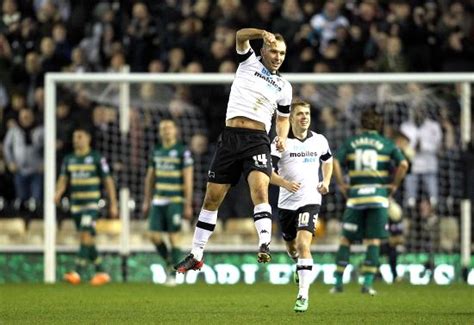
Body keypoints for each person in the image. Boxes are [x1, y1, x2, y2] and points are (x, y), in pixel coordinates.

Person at [174, 27, 292, 273]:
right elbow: (239, 35)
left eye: (282, 53)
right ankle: (196, 254)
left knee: (260, 189)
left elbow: (282, 118)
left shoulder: (284, 86)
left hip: (257, 139)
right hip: (230, 138)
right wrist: (262, 32)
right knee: (212, 198)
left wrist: (281, 137)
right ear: (263, 51)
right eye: (274, 51)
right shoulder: (248, 62)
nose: (278, 56)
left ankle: (264, 244)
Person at [331, 108, 409, 295]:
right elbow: (404, 164)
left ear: (362, 124)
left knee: (346, 239)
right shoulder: (386, 143)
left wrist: (342, 184)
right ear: (379, 125)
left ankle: (338, 284)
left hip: (356, 196)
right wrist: (394, 185)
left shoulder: (351, 143)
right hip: (378, 196)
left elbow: (335, 162)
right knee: (373, 240)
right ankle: (366, 284)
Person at [270, 100, 333, 312]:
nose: (304, 117)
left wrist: (326, 181)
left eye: (307, 113)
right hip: (286, 203)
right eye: (299, 114)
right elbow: (265, 173)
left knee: (304, 244)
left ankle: (303, 296)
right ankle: (298, 264)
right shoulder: (280, 143)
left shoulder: (319, 140)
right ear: (290, 118)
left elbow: (327, 160)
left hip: (310, 200)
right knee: (292, 247)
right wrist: (285, 184)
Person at [54, 127, 118, 286]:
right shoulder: (69, 159)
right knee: (87, 238)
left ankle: (77, 272)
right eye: (75, 136)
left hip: (92, 205)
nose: (77, 140)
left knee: (84, 234)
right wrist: (58, 192)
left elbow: (108, 181)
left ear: (88, 139)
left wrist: (113, 203)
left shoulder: (96, 157)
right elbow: (63, 178)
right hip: (76, 205)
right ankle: (102, 271)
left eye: (80, 136)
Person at [142, 119, 193, 285]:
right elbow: (150, 177)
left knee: (173, 236)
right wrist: (146, 200)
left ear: (175, 130)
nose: (167, 131)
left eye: (169, 128)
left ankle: (174, 274)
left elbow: (188, 178)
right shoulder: (156, 150)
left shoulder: (181, 151)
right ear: (159, 132)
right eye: (163, 128)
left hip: (175, 199)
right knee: (153, 236)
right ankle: (171, 263)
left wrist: (187, 203)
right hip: (158, 199)